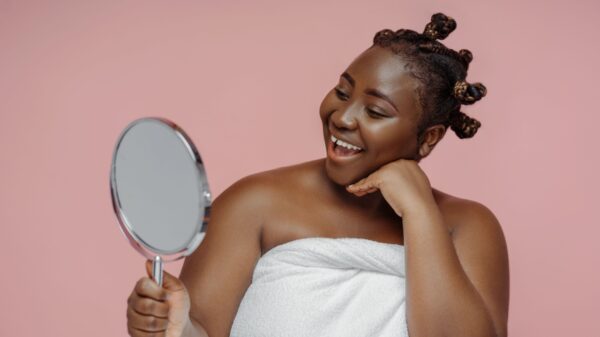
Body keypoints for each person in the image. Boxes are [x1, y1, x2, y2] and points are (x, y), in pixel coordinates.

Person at [126, 12, 509, 337]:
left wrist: (419, 212)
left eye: (375, 112)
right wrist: (174, 328)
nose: (342, 117)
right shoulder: (255, 202)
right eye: (342, 92)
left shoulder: (466, 226)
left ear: (428, 139)